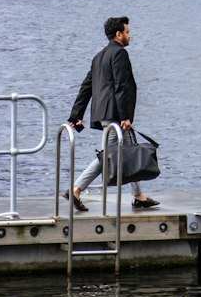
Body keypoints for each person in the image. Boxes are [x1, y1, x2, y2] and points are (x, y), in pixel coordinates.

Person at [65, 14, 159, 212]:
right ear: (118, 34)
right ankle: (76, 188)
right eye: (127, 32)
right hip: (115, 114)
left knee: (121, 152)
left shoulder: (99, 56)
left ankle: (138, 195)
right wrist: (125, 116)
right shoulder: (119, 54)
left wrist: (76, 114)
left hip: (103, 113)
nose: (130, 36)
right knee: (109, 155)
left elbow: (86, 86)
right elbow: (122, 86)